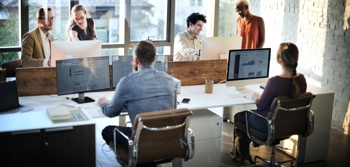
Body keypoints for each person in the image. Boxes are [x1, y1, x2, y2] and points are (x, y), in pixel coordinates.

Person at [233, 42, 307, 164]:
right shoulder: (301, 79)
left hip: (268, 125)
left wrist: (257, 97)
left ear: (279, 59)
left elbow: (261, 105)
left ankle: (245, 156)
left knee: (239, 117)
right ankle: (253, 143)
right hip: (289, 126)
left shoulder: (274, 82)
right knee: (247, 118)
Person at [98, 40, 177, 149]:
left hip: (140, 141)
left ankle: (138, 157)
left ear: (136, 60)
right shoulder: (169, 80)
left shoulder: (126, 82)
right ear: (154, 58)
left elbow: (111, 112)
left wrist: (103, 103)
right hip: (166, 138)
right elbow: (173, 108)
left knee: (107, 131)